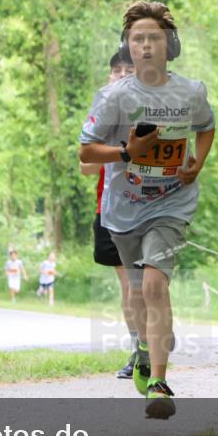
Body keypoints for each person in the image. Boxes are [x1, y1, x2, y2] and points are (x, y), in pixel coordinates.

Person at [79, 1, 216, 419]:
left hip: (171, 203)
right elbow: (86, 150)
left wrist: (197, 163)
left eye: (154, 37)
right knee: (137, 290)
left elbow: (206, 126)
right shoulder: (114, 97)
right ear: (129, 47)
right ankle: (141, 345)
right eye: (138, 39)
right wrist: (125, 150)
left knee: (155, 286)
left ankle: (158, 382)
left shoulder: (191, 92)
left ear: (169, 44)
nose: (146, 45)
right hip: (124, 208)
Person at [80, 52, 140, 379]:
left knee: (145, 284)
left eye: (127, 70)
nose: (119, 75)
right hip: (110, 210)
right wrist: (117, 151)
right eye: (115, 70)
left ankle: (151, 337)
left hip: (150, 210)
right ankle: (139, 348)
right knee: (130, 286)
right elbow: (85, 166)